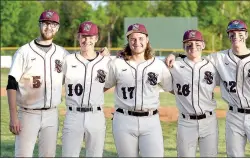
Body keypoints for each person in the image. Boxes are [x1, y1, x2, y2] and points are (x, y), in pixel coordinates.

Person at [165, 20, 250, 157]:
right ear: (228, 36)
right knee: (234, 155)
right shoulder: (219, 58)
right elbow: (196, 57)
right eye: (232, 33)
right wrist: (175, 55)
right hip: (234, 116)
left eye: (240, 33)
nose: (236, 36)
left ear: (246, 35)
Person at [104, 23, 172, 157]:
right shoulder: (117, 63)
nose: (137, 42)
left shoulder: (158, 65)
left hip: (151, 121)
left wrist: (176, 55)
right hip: (123, 120)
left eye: (141, 38)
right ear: (128, 41)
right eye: (133, 39)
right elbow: (102, 87)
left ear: (147, 40)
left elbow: (174, 89)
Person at [6, 10, 69, 157]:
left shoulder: (62, 53)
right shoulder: (24, 52)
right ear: (39, 25)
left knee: (48, 155)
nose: (49, 27)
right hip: (28, 113)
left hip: (52, 114)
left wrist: (101, 55)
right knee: (23, 155)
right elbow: (11, 83)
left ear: (58, 28)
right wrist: (13, 116)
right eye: (46, 23)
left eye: (53, 24)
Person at [61, 21, 111, 157]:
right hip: (73, 115)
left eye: (90, 37)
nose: (86, 40)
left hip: (96, 115)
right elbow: (56, 83)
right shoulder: (68, 60)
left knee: (95, 156)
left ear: (96, 38)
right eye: (83, 36)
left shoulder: (106, 62)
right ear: (78, 37)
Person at [170, 30, 219, 157]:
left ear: (203, 45)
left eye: (197, 43)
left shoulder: (212, 65)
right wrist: (173, 55)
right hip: (186, 122)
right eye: (189, 43)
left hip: (209, 121)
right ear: (183, 46)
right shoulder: (174, 65)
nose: (193, 46)